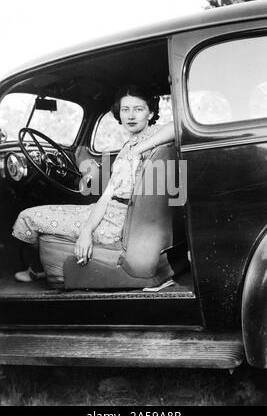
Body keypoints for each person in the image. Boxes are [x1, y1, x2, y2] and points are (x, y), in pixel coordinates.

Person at [12, 85, 175, 282]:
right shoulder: (128, 146)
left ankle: (37, 269)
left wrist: (139, 149)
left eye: (138, 109)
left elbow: (176, 126)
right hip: (114, 213)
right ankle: (40, 266)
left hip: (117, 221)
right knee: (40, 214)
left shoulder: (151, 137)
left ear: (150, 114)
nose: (131, 115)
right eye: (125, 110)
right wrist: (87, 230)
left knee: (28, 216)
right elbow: (107, 196)